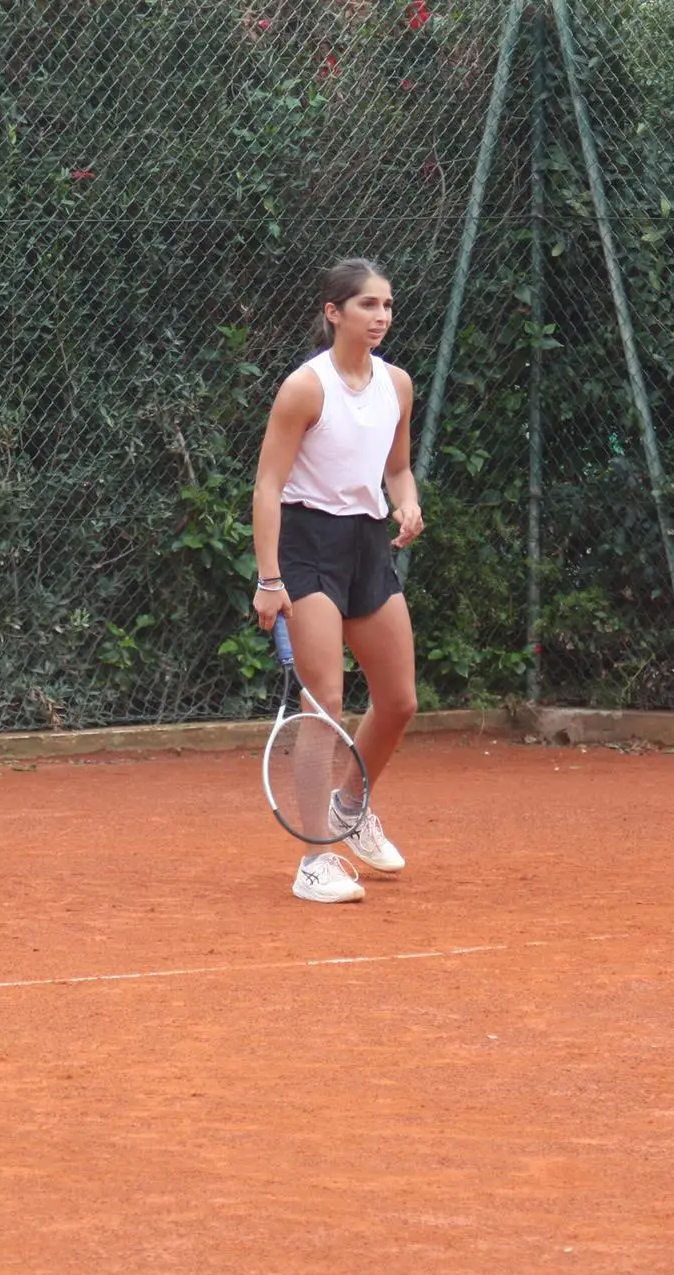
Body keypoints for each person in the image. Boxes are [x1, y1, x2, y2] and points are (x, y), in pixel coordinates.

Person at [249, 257, 425, 904]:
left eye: (386, 305)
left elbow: (397, 469)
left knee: (399, 700)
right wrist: (269, 578)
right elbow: (267, 485)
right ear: (333, 312)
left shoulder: (397, 384)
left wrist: (405, 502)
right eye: (366, 305)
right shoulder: (305, 387)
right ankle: (314, 860)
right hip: (305, 545)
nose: (380, 317)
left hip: (365, 544)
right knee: (323, 697)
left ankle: (351, 807)